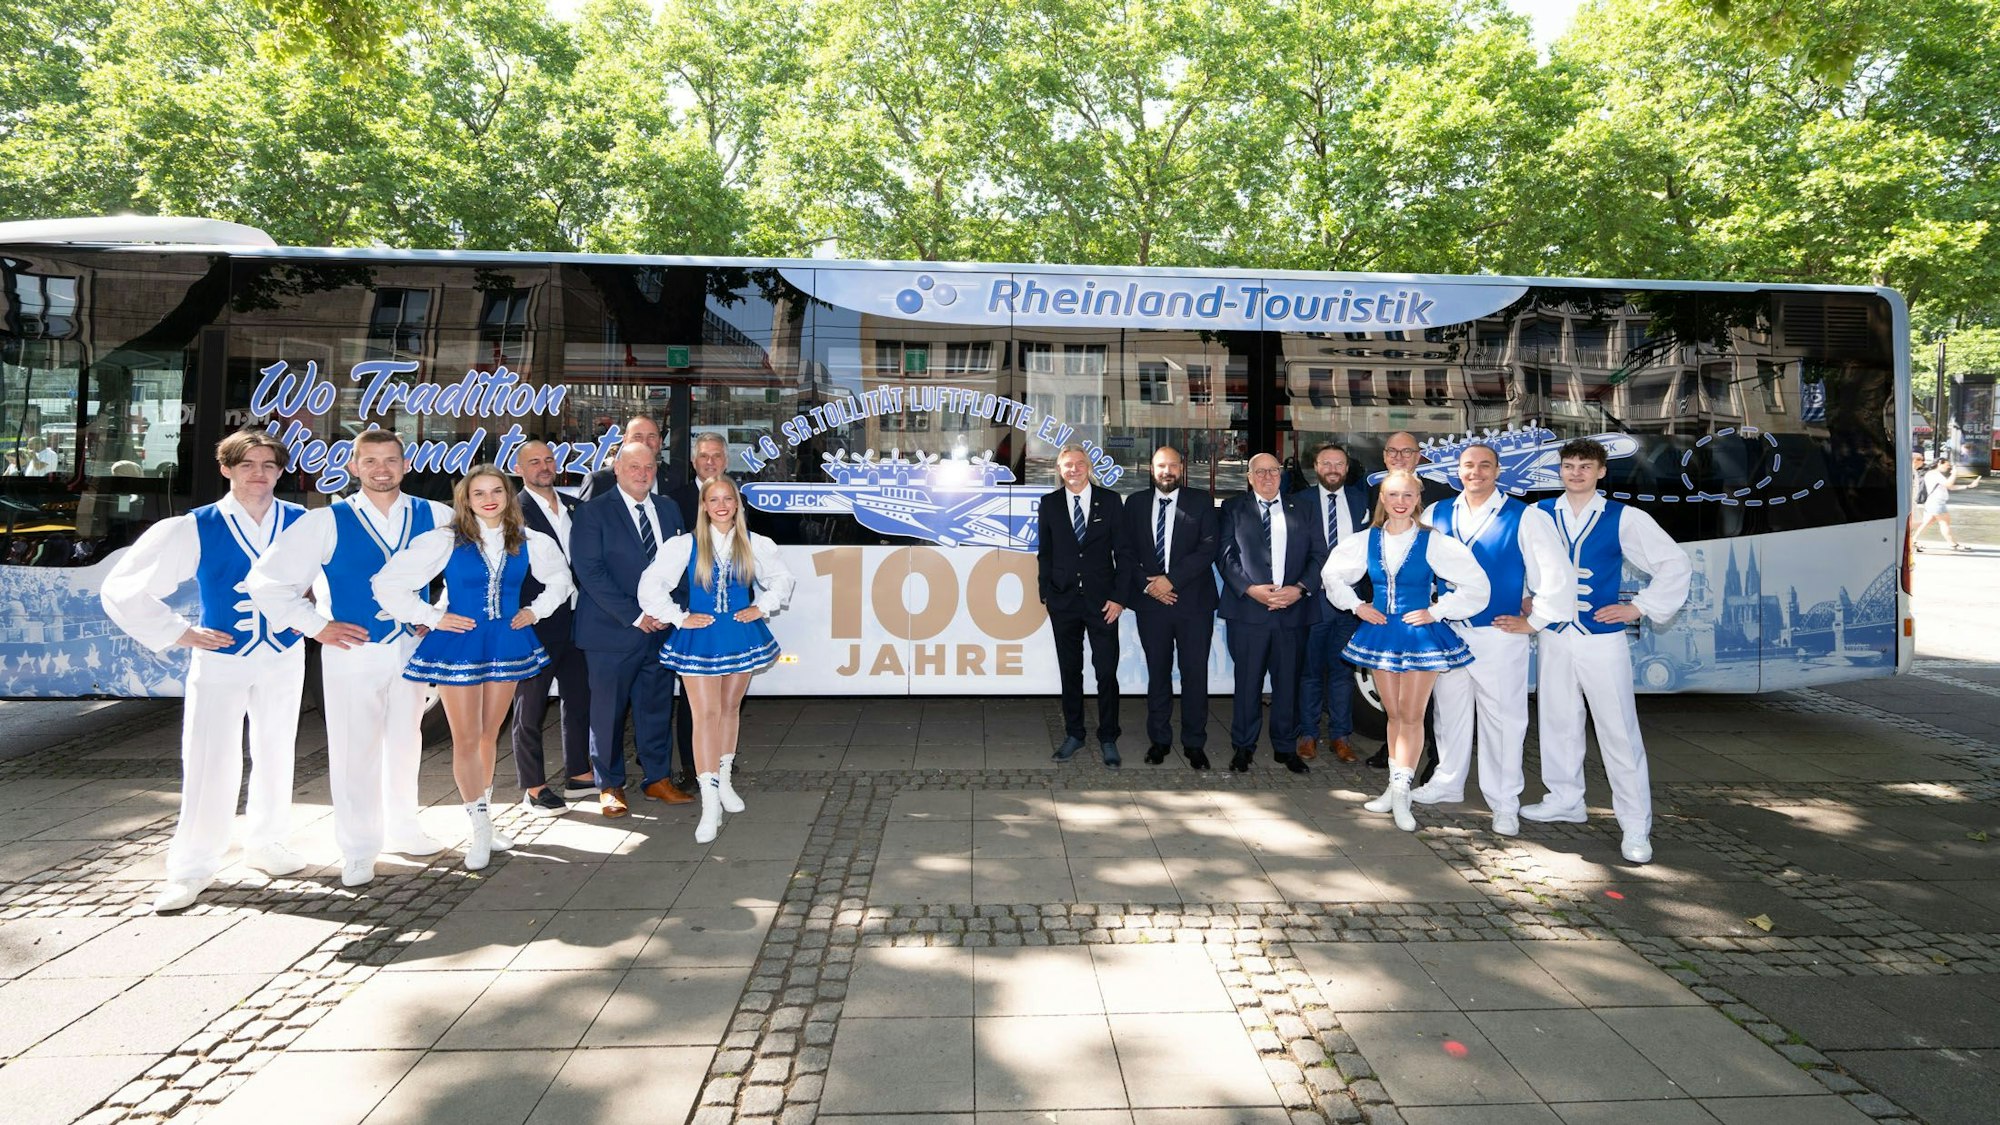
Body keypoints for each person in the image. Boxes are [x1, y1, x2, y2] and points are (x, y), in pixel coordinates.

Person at [101, 431, 310, 912]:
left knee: (277, 749)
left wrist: (318, 607)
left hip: (283, 651)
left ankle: (267, 842)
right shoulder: (195, 526)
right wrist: (177, 630)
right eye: (247, 464)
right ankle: (192, 865)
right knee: (209, 756)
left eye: (268, 465)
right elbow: (124, 586)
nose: (258, 473)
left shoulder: (302, 522)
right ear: (226, 469)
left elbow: (328, 579)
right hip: (220, 657)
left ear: (281, 472)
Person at [248, 429, 454, 888]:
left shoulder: (437, 515)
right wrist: (317, 625)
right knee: (353, 749)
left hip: (411, 648)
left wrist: (435, 614)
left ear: (405, 464)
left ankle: (403, 827)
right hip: (352, 651)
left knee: (407, 741)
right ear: (355, 467)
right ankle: (358, 847)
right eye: (371, 461)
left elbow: (472, 570)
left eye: (391, 460)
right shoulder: (326, 521)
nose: (382, 469)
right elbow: (266, 582)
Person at [372, 466, 573, 868]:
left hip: (505, 642)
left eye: (496, 490)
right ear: (465, 499)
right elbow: (387, 582)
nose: (488, 499)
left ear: (508, 494)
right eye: (478, 493)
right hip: (460, 643)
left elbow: (562, 581)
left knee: (486, 735)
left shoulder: (529, 540)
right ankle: (478, 829)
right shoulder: (445, 540)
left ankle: (486, 819)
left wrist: (535, 610)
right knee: (465, 738)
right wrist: (429, 615)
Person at [1522, 438, 1692, 864]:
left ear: (1600, 472)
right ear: (1558, 470)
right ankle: (1565, 798)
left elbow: (1674, 563)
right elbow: (1527, 564)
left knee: (1618, 730)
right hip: (1556, 635)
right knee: (1558, 721)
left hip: (1601, 639)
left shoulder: (1624, 517)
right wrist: (1527, 596)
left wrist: (1639, 606)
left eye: (1584, 466)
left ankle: (1636, 825)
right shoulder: (1539, 513)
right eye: (1568, 465)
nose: (1575, 472)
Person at [1412, 443, 1573, 836]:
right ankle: (1447, 782)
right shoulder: (1437, 512)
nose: (1476, 472)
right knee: (1448, 714)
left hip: (1497, 634)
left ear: (1498, 471)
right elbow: (1419, 564)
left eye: (1485, 466)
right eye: (1469, 466)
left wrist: (1536, 622)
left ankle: (1504, 801)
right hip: (1449, 632)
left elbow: (1554, 573)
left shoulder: (1524, 515)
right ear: (1458, 471)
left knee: (1503, 720)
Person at [1321, 470, 1488, 830]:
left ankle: (1402, 794)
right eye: (1393, 495)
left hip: (1419, 635)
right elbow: (1332, 575)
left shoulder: (1434, 542)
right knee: (1394, 714)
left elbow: (1476, 584)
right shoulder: (1366, 539)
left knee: (1412, 715)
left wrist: (1436, 611)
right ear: (1383, 499)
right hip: (1381, 632)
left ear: (1417, 500)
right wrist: (1357, 605)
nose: (1400, 502)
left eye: (1407, 496)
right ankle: (1394, 790)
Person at [638, 474, 795, 841]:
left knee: (729, 709)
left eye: (728, 499)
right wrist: (678, 616)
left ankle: (723, 783)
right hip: (701, 637)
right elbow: (650, 584)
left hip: (740, 634)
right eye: (714, 500)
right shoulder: (686, 545)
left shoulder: (755, 543)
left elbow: (783, 580)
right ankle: (709, 803)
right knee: (704, 714)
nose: (722, 505)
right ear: (704, 506)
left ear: (737, 504)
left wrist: (763, 606)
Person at [571, 443, 691, 816]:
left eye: (649, 467)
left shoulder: (669, 509)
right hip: (612, 631)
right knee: (607, 712)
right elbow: (589, 572)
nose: (642, 473)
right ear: (617, 469)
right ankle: (610, 785)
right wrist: (637, 615)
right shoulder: (592, 512)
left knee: (655, 707)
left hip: (660, 631)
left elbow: (681, 565)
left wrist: (674, 613)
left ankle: (657, 778)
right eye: (634, 466)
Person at [1217, 452, 1328, 774]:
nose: (1268, 477)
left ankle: (1284, 747)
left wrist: (1300, 589)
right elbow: (1225, 556)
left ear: (1282, 475)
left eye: (1274, 471)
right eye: (1260, 472)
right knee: (1247, 684)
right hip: (1249, 612)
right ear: (1249, 477)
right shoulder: (1233, 508)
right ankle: (1243, 747)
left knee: (1288, 684)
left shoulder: (1304, 508)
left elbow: (1320, 554)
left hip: (1293, 613)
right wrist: (1251, 590)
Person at [1116, 445, 1219, 769]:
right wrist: (1150, 586)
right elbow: (1125, 551)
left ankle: (1194, 743)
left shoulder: (1201, 502)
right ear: (1151, 468)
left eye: (1173, 465)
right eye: (1162, 465)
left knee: (1194, 675)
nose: (1167, 471)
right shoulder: (1134, 503)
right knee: (1157, 674)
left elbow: (1208, 549)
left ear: (1182, 469)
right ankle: (1159, 741)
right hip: (1152, 605)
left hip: (1193, 604)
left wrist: (1170, 581)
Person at [509, 439, 595, 816]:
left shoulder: (576, 505)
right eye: (534, 462)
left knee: (579, 699)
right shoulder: (511, 510)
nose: (543, 467)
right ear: (520, 469)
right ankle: (533, 786)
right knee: (530, 706)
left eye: (548, 460)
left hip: (579, 618)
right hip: (537, 619)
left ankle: (578, 774)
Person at [1036, 444, 1124, 767]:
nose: (1073, 469)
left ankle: (1109, 736)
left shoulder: (1111, 501)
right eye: (1067, 465)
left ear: (1089, 467)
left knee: (1106, 672)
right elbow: (1045, 552)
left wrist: (1118, 597)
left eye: (1079, 464)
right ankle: (1074, 733)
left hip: (1104, 604)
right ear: (1059, 470)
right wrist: (1046, 592)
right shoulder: (1050, 504)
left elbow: (1123, 554)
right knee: (1070, 671)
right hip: (1064, 602)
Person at [1294, 442, 1370, 763]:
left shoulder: (1362, 500)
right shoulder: (1299, 502)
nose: (1333, 469)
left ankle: (1341, 736)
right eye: (1327, 463)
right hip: (1314, 599)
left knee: (1342, 673)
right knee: (1310, 671)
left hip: (1351, 601)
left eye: (1339, 464)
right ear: (1316, 467)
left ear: (1347, 468)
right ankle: (1308, 734)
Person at [579, 415, 672, 500]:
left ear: (660, 442)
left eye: (651, 436)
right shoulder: (598, 482)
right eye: (637, 436)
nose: (644, 443)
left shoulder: (673, 483)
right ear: (625, 441)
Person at [1912, 457, 1976, 551]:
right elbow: (1949, 485)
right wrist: (1954, 474)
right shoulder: (1934, 474)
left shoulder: (1935, 474)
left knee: (1927, 523)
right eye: (1947, 465)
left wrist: (1968, 486)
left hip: (1934, 502)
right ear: (1939, 463)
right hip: (1936, 502)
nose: (1948, 467)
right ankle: (1953, 544)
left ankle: (1913, 539)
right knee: (1945, 523)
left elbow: (1950, 487)